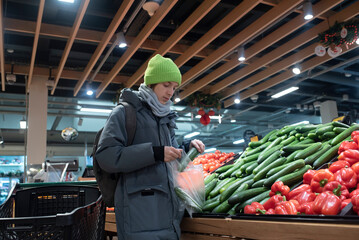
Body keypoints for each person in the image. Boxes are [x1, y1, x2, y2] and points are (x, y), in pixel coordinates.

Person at [95, 54, 205, 240]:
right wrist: (154, 153)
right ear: (152, 83)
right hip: (139, 215)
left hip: (169, 216)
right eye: (166, 85)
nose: (171, 92)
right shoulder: (124, 113)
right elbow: (106, 155)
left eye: (174, 87)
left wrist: (187, 148)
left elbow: (173, 161)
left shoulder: (166, 118)